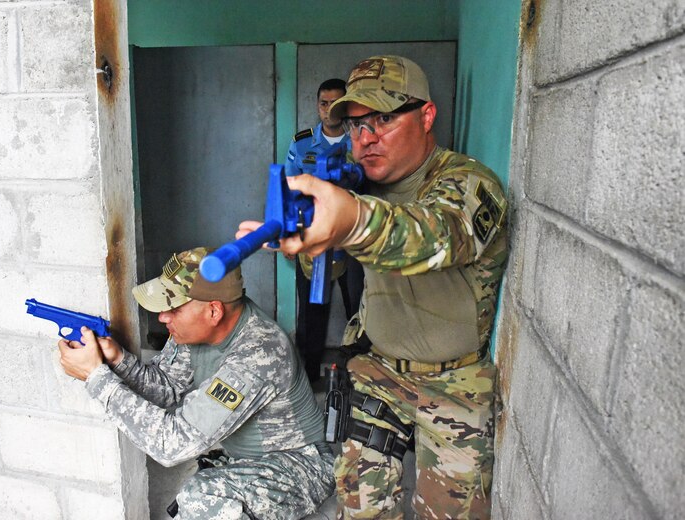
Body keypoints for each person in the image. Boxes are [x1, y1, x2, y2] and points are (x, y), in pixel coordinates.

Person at [236, 55, 508, 519]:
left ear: (426, 116)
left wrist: (352, 220)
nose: (366, 137)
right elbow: (332, 268)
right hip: (377, 369)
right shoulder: (362, 187)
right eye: (357, 125)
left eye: (383, 118)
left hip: (452, 383)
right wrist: (299, 236)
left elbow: (433, 238)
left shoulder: (466, 182)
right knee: (359, 507)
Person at [57, 247, 335, 520]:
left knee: (201, 496)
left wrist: (97, 379)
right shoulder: (194, 334)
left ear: (213, 312)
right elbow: (167, 389)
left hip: (300, 466)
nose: (162, 317)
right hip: (244, 458)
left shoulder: (258, 354)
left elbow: (171, 444)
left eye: (173, 308)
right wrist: (118, 360)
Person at [285, 78, 364, 383]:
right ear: (316, 106)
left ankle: (358, 377)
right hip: (314, 240)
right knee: (312, 312)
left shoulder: (361, 140)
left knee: (357, 308)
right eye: (323, 103)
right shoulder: (303, 143)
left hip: (354, 240)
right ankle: (310, 375)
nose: (329, 110)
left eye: (336, 102)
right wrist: (291, 234)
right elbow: (290, 190)